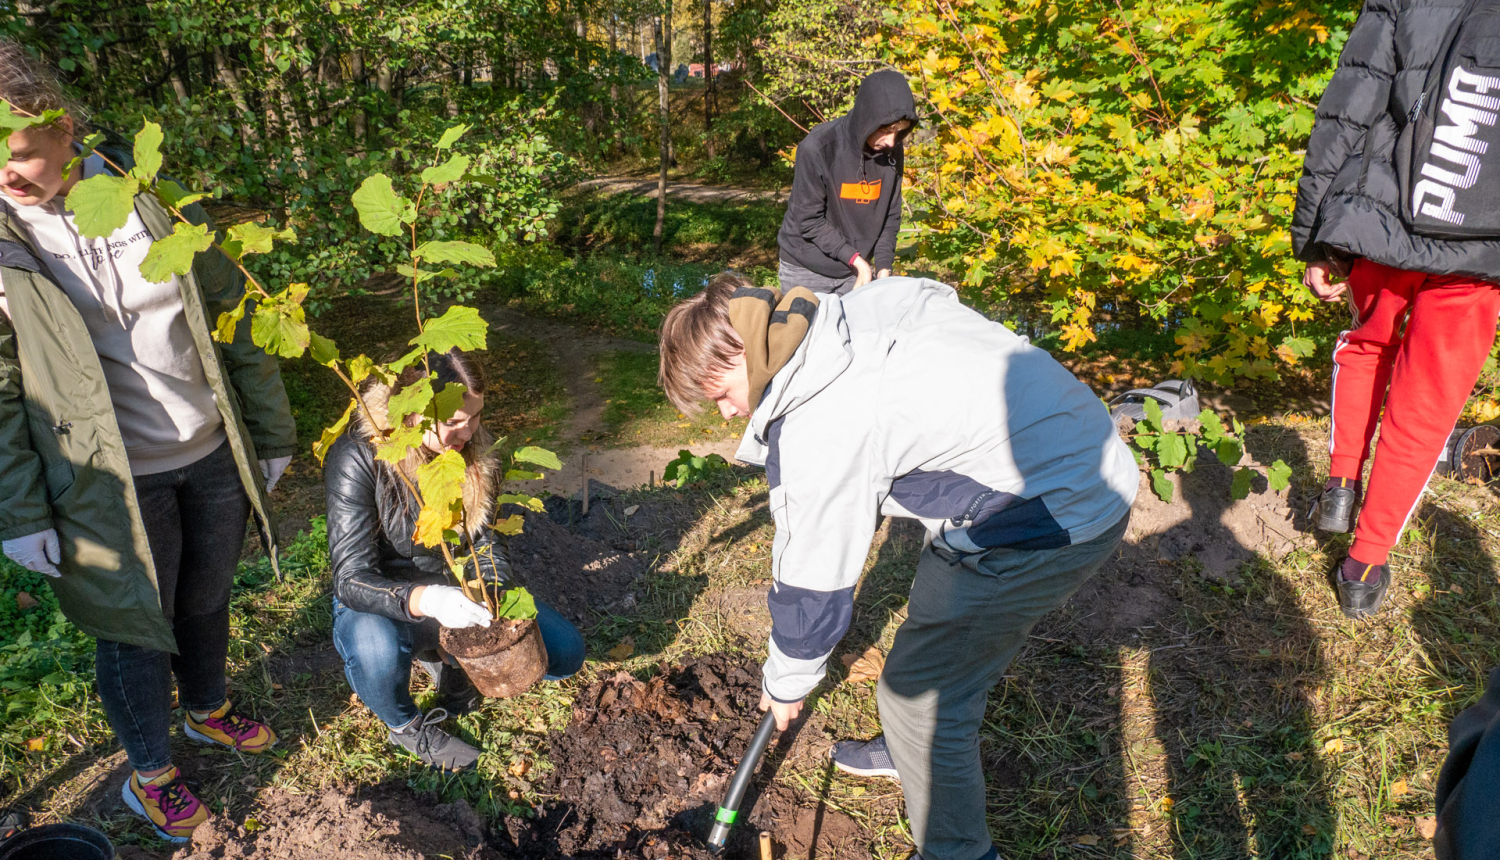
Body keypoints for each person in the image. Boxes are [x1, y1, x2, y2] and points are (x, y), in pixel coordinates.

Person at [658, 273, 1138, 860]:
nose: (729, 415)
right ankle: (913, 750)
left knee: (920, 696)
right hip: (1073, 454)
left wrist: (787, 682)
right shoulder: (840, 316)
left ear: (741, 350)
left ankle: (955, 849)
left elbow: (815, 576)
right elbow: (931, 292)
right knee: (937, 618)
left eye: (719, 395)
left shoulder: (822, 420)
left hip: (1051, 513)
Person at [0, 41, 295, 843]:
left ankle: (206, 708)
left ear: (61, 127)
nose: (6, 176)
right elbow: (0, 395)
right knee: (135, 626)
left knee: (205, 596)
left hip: (207, 450)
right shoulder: (2, 244)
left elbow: (233, 311)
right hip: (104, 478)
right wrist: (20, 512)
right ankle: (150, 774)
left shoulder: (148, 191)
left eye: (17, 154)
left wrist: (268, 430)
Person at [1291, 1, 1500, 619]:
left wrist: (1318, 237)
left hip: (1384, 218)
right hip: (1480, 245)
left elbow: (1349, 103)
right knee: (1427, 405)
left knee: (1366, 345)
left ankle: (1339, 486)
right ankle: (1363, 567)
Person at [324, 349, 585, 772]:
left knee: (565, 652)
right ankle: (405, 724)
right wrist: (428, 600)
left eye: (476, 417)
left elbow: (486, 544)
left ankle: (445, 659)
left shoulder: (477, 454)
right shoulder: (358, 457)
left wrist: (490, 596)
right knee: (376, 650)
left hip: (459, 592)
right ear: (412, 413)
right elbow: (351, 578)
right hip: (381, 601)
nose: (468, 432)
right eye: (454, 423)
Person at [777, 69, 917, 295]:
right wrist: (858, 262)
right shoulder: (818, 148)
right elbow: (809, 221)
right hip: (805, 270)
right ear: (868, 117)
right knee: (808, 331)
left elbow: (890, 216)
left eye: (899, 132)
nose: (891, 141)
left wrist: (883, 268)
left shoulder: (892, 151)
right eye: (886, 130)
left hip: (854, 271)